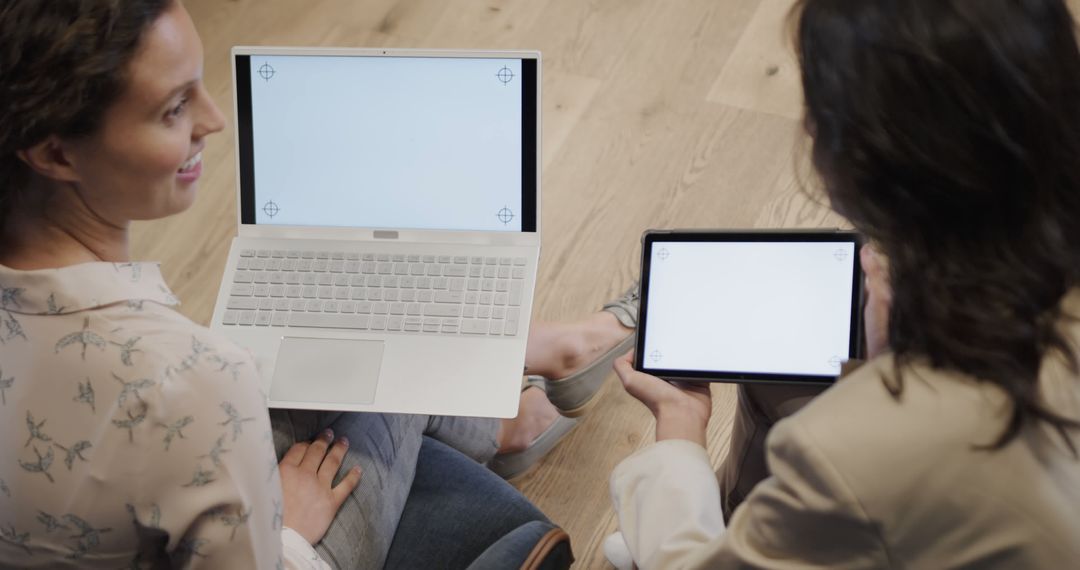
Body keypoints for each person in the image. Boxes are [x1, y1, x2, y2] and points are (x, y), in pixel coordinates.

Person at [0, 0, 636, 567]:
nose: (215, 119)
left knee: (326, 348)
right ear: (55, 153)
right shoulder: (189, 378)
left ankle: (522, 394)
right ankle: (523, 399)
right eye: (174, 107)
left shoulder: (167, 370)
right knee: (386, 346)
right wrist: (291, 535)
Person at [607, 0, 1080, 567]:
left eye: (819, 105)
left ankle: (741, 530)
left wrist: (681, 429)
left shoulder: (848, 452)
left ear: (861, 159)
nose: (806, 124)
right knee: (786, 374)